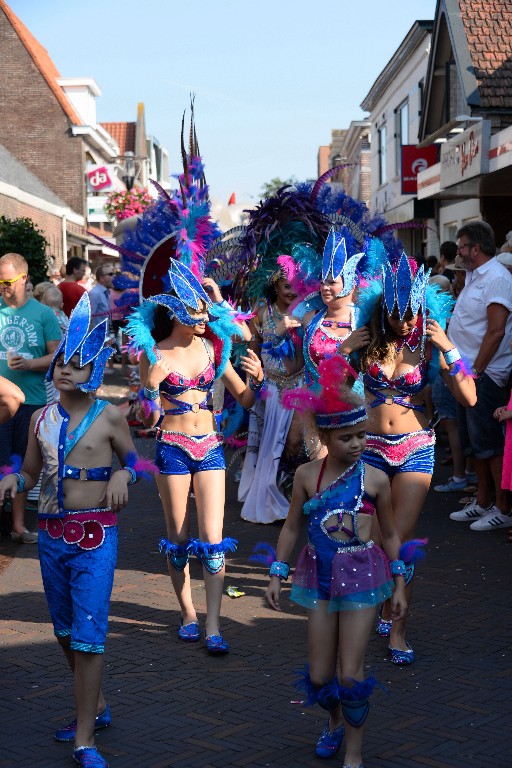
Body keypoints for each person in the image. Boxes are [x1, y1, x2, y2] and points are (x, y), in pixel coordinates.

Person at [0, 293, 146, 768]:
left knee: (88, 635)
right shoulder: (40, 418)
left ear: (95, 373)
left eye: (79, 365)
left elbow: (136, 462)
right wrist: (12, 481)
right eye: (62, 362)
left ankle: (86, 738)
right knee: (64, 631)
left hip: (96, 537)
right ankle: (96, 704)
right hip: (51, 535)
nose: (66, 370)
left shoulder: (109, 417)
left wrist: (125, 474)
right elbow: (29, 471)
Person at [265, 357, 407, 768]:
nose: (358, 444)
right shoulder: (308, 476)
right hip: (320, 579)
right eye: (347, 437)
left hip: (363, 580)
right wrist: (277, 572)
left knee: (351, 673)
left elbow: (392, 535)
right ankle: (333, 723)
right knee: (321, 676)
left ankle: (355, 756)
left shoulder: (376, 480)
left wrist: (398, 584)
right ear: (325, 434)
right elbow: (291, 529)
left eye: (362, 435)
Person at [133, 260, 263, 654]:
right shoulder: (153, 354)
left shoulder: (213, 348)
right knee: (178, 538)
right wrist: (152, 390)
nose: (205, 316)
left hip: (209, 445)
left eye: (206, 309)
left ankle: (213, 623)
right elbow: (147, 418)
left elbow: (244, 398)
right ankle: (187, 613)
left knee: (214, 538)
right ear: (175, 313)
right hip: (171, 445)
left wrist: (257, 378)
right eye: (197, 311)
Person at [356, 253, 476, 664]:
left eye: (412, 313)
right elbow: (330, 391)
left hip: (414, 450)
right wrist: (339, 351)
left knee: (399, 542)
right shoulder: (366, 340)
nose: (405, 322)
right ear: (383, 308)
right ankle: (382, 605)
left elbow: (470, 397)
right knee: (370, 539)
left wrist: (449, 347)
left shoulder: (427, 345)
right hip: (369, 448)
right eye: (396, 313)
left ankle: (399, 629)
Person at [448, 221, 512, 531]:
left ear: (476, 248)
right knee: (476, 444)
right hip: (466, 373)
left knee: (489, 444)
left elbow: (496, 330)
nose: (458, 252)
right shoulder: (475, 277)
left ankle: (502, 507)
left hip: (482, 374)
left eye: (461, 246)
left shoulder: (497, 278)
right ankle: (484, 501)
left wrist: (476, 370)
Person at [0, 253, 62, 543]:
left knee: (23, 464)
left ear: (24, 279)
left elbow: (56, 357)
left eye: (7, 281)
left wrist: (30, 364)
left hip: (32, 400)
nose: (2, 286)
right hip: (1, 400)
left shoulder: (44, 314)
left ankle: (18, 526)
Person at [238, 271, 305, 522]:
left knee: (295, 442)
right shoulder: (263, 310)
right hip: (271, 388)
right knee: (273, 443)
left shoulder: (305, 309)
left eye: (295, 286)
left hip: (299, 387)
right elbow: (255, 349)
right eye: (287, 286)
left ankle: (292, 494)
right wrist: (251, 385)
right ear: (275, 287)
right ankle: (274, 493)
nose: (291, 291)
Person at [89, 264, 115, 329]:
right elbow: (89, 319)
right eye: (110, 274)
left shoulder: (107, 292)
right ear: (102, 278)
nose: (114, 276)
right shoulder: (95, 293)